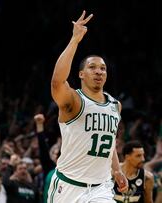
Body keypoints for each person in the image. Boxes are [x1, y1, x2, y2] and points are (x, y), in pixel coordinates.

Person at [48, 10, 128, 202]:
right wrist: (75, 40)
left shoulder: (115, 106)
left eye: (103, 68)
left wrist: (116, 170)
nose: (99, 71)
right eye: (92, 67)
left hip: (101, 187)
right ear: (81, 74)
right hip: (68, 186)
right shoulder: (73, 101)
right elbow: (57, 82)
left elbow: (108, 142)